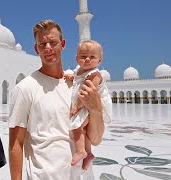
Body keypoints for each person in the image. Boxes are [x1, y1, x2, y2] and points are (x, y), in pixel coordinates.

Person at [9, 19, 109, 179]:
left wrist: (95, 108)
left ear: (62, 44)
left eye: (53, 42)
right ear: (36, 48)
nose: (48, 48)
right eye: (42, 44)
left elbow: (95, 140)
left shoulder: (78, 85)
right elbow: (16, 143)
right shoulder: (25, 88)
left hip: (83, 175)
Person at [68, 40, 113, 171]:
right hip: (85, 108)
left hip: (86, 106)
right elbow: (76, 78)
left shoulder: (94, 74)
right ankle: (88, 154)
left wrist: (76, 107)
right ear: (76, 59)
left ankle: (80, 151)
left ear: (99, 60)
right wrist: (70, 75)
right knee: (84, 131)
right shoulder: (79, 72)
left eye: (92, 57)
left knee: (76, 127)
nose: (87, 59)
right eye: (83, 57)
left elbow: (86, 94)